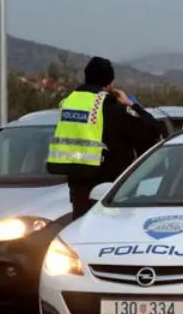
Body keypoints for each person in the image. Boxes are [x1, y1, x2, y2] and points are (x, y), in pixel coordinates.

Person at [46, 56, 165, 219]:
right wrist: (131, 105)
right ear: (109, 83)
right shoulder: (110, 108)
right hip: (108, 188)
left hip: (77, 186)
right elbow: (153, 128)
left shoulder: (68, 102)